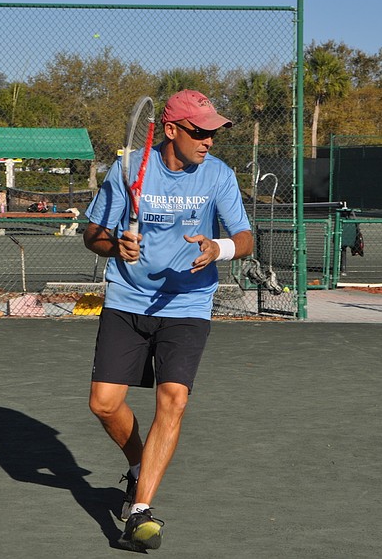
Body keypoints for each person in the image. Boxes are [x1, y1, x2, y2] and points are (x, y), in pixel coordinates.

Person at [83, 89, 253, 551]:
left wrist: (218, 248)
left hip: (188, 305)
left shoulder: (218, 175)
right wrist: (115, 245)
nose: (210, 141)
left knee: (173, 400)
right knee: (102, 404)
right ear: (172, 130)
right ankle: (139, 465)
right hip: (128, 299)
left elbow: (244, 236)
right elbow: (92, 235)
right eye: (201, 132)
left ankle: (140, 510)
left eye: (215, 133)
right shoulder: (127, 170)